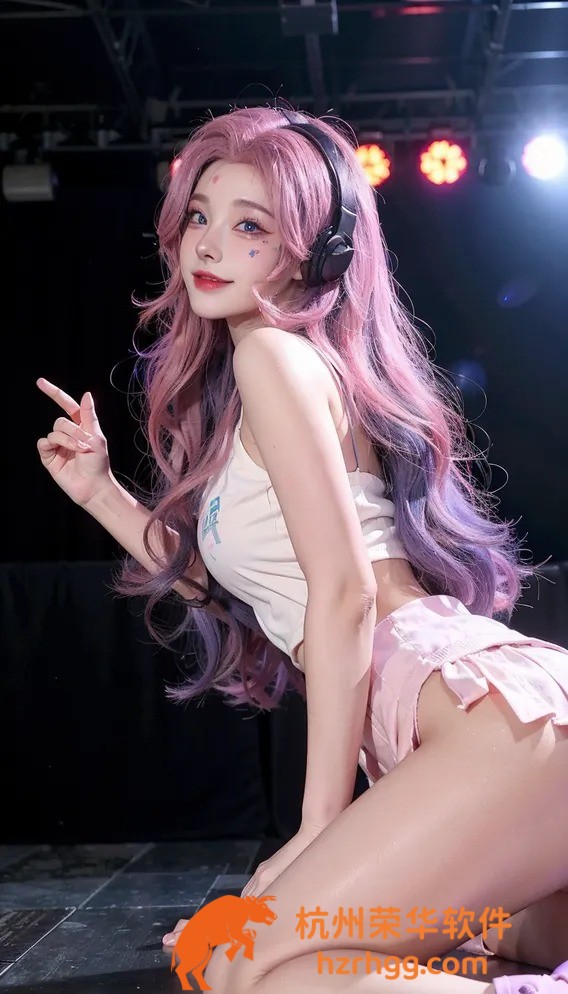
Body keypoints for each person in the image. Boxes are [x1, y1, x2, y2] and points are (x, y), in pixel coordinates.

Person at [36, 104, 568, 993]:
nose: (209, 245)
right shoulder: (282, 368)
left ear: (312, 253)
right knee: (262, 954)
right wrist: (100, 492)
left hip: (483, 723)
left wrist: (318, 829)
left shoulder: (273, 360)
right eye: (200, 215)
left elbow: (346, 592)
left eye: (251, 226)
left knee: (249, 970)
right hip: (495, 728)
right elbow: (234, 589)